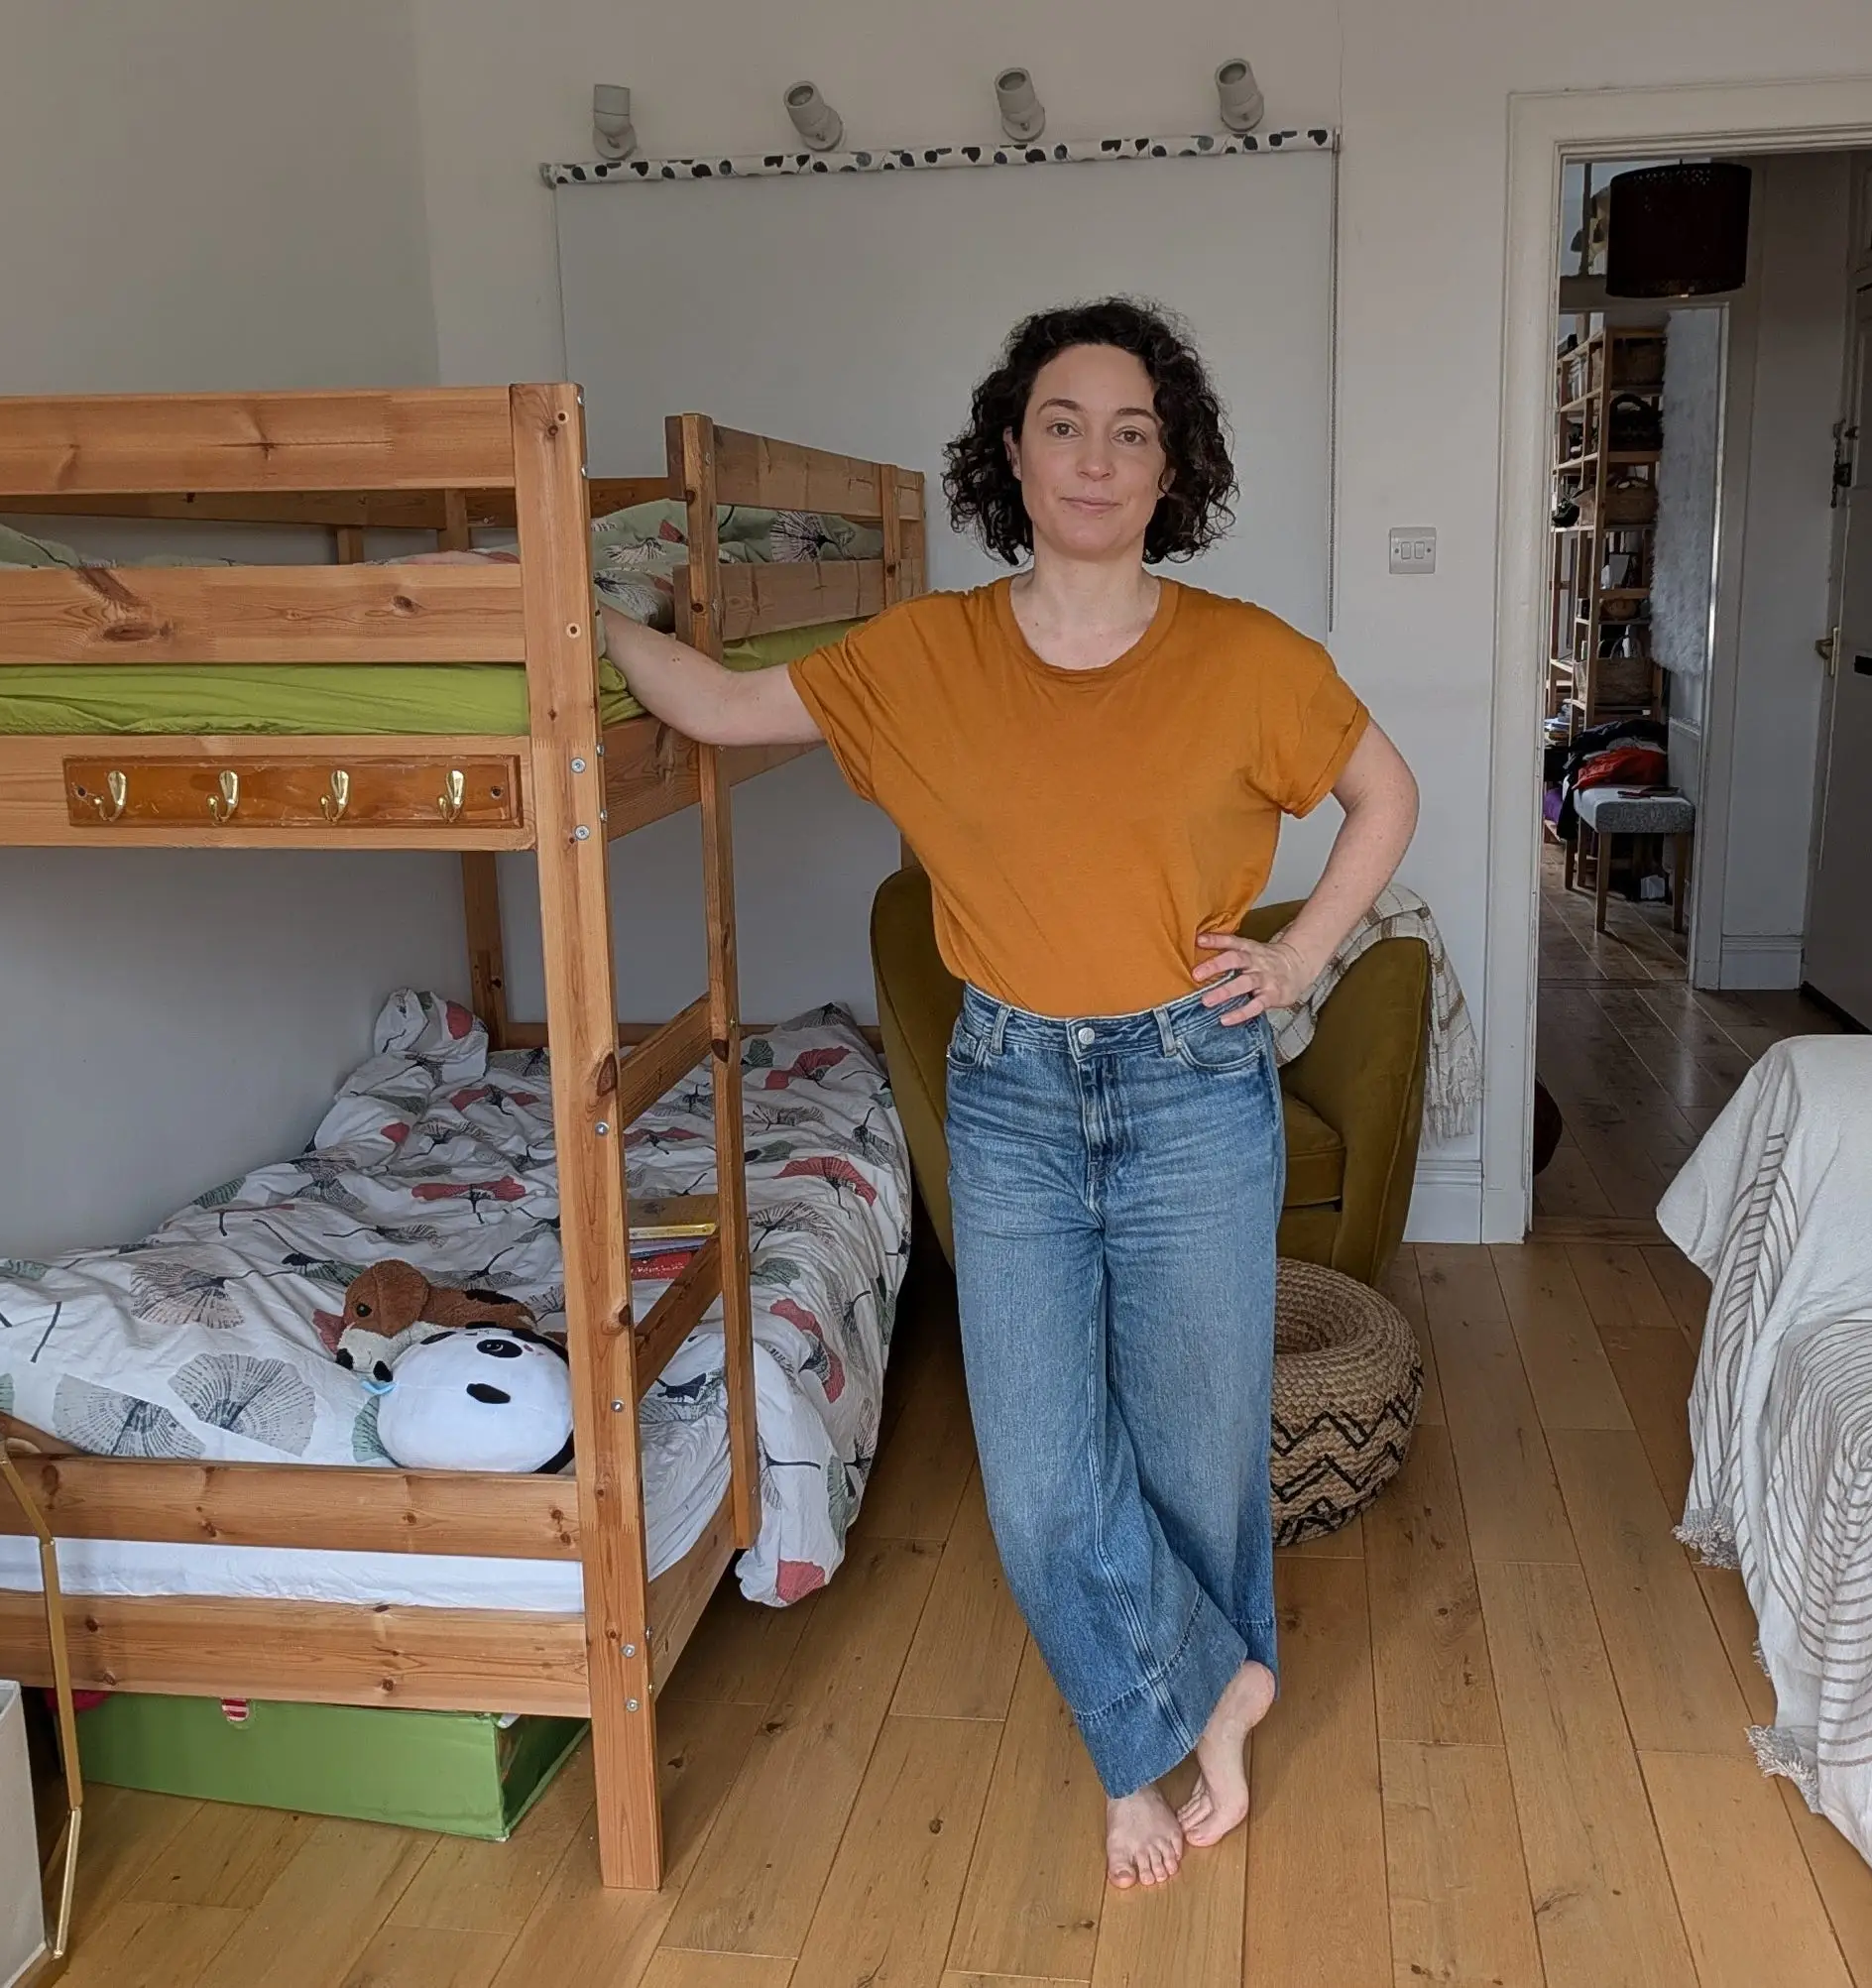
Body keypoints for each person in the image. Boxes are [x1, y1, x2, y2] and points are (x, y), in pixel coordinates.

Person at [598, 296, 1419, 1890]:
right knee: (1042, 1470)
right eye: (1064, 422)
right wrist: (579, 613)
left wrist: (1304, 958)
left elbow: (1383, 792)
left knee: (1194, 1445)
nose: (1096, 456)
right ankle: (1188, 1696)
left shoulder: (1249, 656)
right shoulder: (924, 654)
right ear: (1012, 454)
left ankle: (1169, 1746)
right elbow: (709, 706)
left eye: (1131, 429)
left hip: (1192, 1084)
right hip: (1013, 1092)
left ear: (1170, 467)